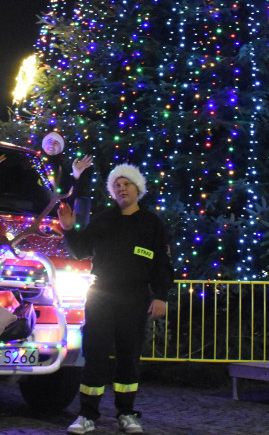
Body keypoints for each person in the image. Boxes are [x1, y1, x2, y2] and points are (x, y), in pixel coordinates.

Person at [57, 164, 173, 435]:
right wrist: (69, 229)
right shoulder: (104, 219)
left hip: (135, 299)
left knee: (129, 357)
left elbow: (162, 264)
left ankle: (127, 413)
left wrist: (161, 297)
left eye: (126, 184)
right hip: (101, 297)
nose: (122, 189)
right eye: (117, 185)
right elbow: (80, 251)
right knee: (95, 355)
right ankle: (87, 416)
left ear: (138, 189)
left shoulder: (151, 223)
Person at [42, 131, 96, 226]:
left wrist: (76, 174)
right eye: (49, 140)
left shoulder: (61, 170)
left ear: (60, 148)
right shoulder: (30, 162)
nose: (52, 144)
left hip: (50, 221)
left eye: (56, 142)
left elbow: (68, 199)